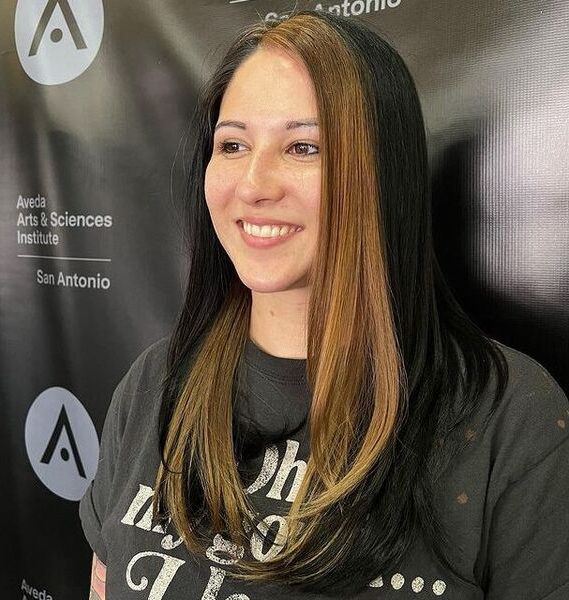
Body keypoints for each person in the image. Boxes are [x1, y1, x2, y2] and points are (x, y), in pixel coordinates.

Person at [79, 9, 569, 600]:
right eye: (232, 144)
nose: (254, 183)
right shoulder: (152, 384)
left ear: (381, 171)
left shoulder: (511, 419)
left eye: (303, 146)